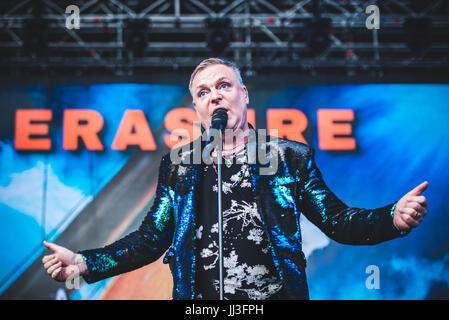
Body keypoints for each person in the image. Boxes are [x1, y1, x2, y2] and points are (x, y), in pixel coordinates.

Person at [42, 58, 428, 300]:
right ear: (196, 108)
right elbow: (150, 239)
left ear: (244, 94)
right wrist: (85, 262)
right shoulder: (179, 165)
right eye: (203, 92)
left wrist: (391, 218)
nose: (215, 96)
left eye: (223, 85)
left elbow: (337, 221)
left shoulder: (288, 157)